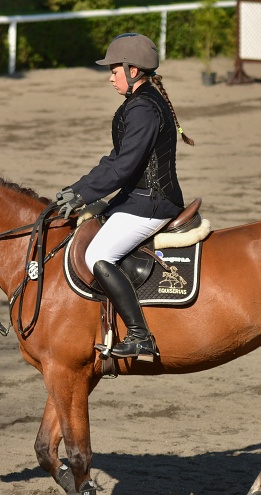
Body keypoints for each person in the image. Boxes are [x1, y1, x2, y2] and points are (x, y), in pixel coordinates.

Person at [55, 32, 194, 361]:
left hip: (151, 203)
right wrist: (76, 190)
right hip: (137, 198)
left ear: (133, 71)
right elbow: (113, 161)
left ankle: (140, 335)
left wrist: (84, 195)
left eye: (114, 70)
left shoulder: (143, 109)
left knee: (96, 255)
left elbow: (123, 168)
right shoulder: (139, 103)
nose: (110, 77)